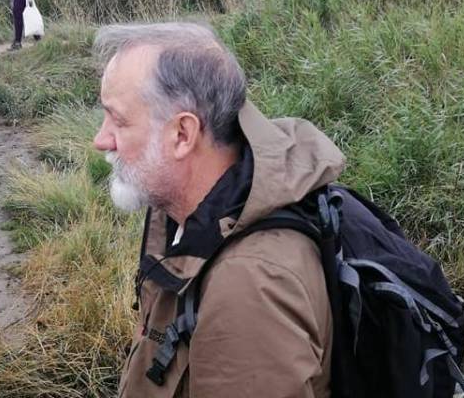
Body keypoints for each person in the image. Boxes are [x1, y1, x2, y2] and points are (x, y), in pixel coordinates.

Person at [92, 22, 345, 398]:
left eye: (118, 119)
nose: (101, 139)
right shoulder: (188, 215)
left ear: (182, 134)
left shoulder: (248, 292)